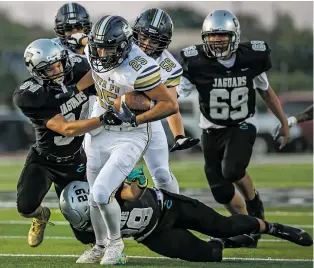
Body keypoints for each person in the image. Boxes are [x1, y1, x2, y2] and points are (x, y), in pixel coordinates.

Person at [70, 15, 178, 265]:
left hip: (130, 132)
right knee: (94, 197)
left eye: (107, 48)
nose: (100, 53)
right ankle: (99, 245)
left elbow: (170, 105)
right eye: (98, 47)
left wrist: (135, 119)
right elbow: (90, 57)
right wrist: (73, 90)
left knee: (100, 192)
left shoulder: (140, 67)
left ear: (123, 46)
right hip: (101, 124)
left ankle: (116, 244)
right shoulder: (94, 48)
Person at [178, 10, 290, 247]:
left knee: (232, 170)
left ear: (235, 36)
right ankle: (245, 229)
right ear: (204, 38)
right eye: (212, 36)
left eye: (222, 35)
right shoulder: (195, 62)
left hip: (242, 124)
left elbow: (266, 92)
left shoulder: (252, 57)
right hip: (210, 130)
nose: (217, 40)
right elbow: (175, 94)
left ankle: (254, 203)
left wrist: (283, 121)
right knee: (221, 191)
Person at [59, 166, 313, 263]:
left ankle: (273, 228)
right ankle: (227, 245)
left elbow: (136, 189)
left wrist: (133, 180)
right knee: (210, 255)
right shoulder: (85, 234)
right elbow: (111, 252)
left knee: (223, 225)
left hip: (170, 207)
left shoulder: (110, 192)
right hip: (153, 235)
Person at [13, 39, 110, 248]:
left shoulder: (77, 67)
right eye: (49, 69)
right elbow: (65, 128)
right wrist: (103, 119)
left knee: (85, 233)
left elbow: (100, 71)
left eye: (59, 64)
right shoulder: (30, 95)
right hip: (44, 160)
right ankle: (41, 216)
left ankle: (104, 247)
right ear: (36, 72)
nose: (57, 71)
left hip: (76, 160)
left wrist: (76, 88)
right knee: (25, 206)